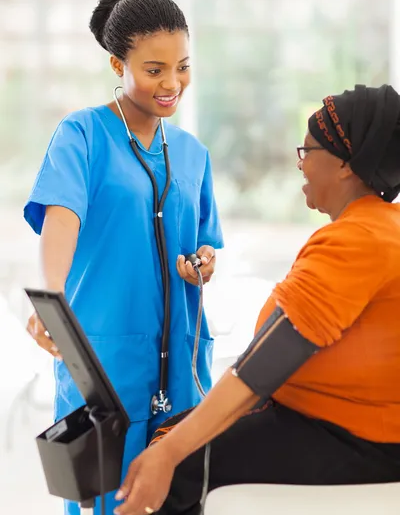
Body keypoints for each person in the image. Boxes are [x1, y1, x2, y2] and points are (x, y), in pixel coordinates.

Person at [113, 84, 400, 515]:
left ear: (343, 164)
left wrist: (169, 454)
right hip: (350, 425)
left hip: (354, 437)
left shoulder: (358, 240)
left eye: (307, 151)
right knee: (173, 433)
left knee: (175, 462)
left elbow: (264, 365)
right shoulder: (378, 228)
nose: (299, 164)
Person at [23, 0, 223, 515]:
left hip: (180, 363)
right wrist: (51, 298)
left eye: (182, 67)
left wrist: (202, 263)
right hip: (105, 361)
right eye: (154, 69)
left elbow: (204, 242)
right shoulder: (81, 135)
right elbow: (61, 217)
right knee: (107, 503)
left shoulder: (192, 153)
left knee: (179, 499)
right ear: (118, 64)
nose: (172, 84)